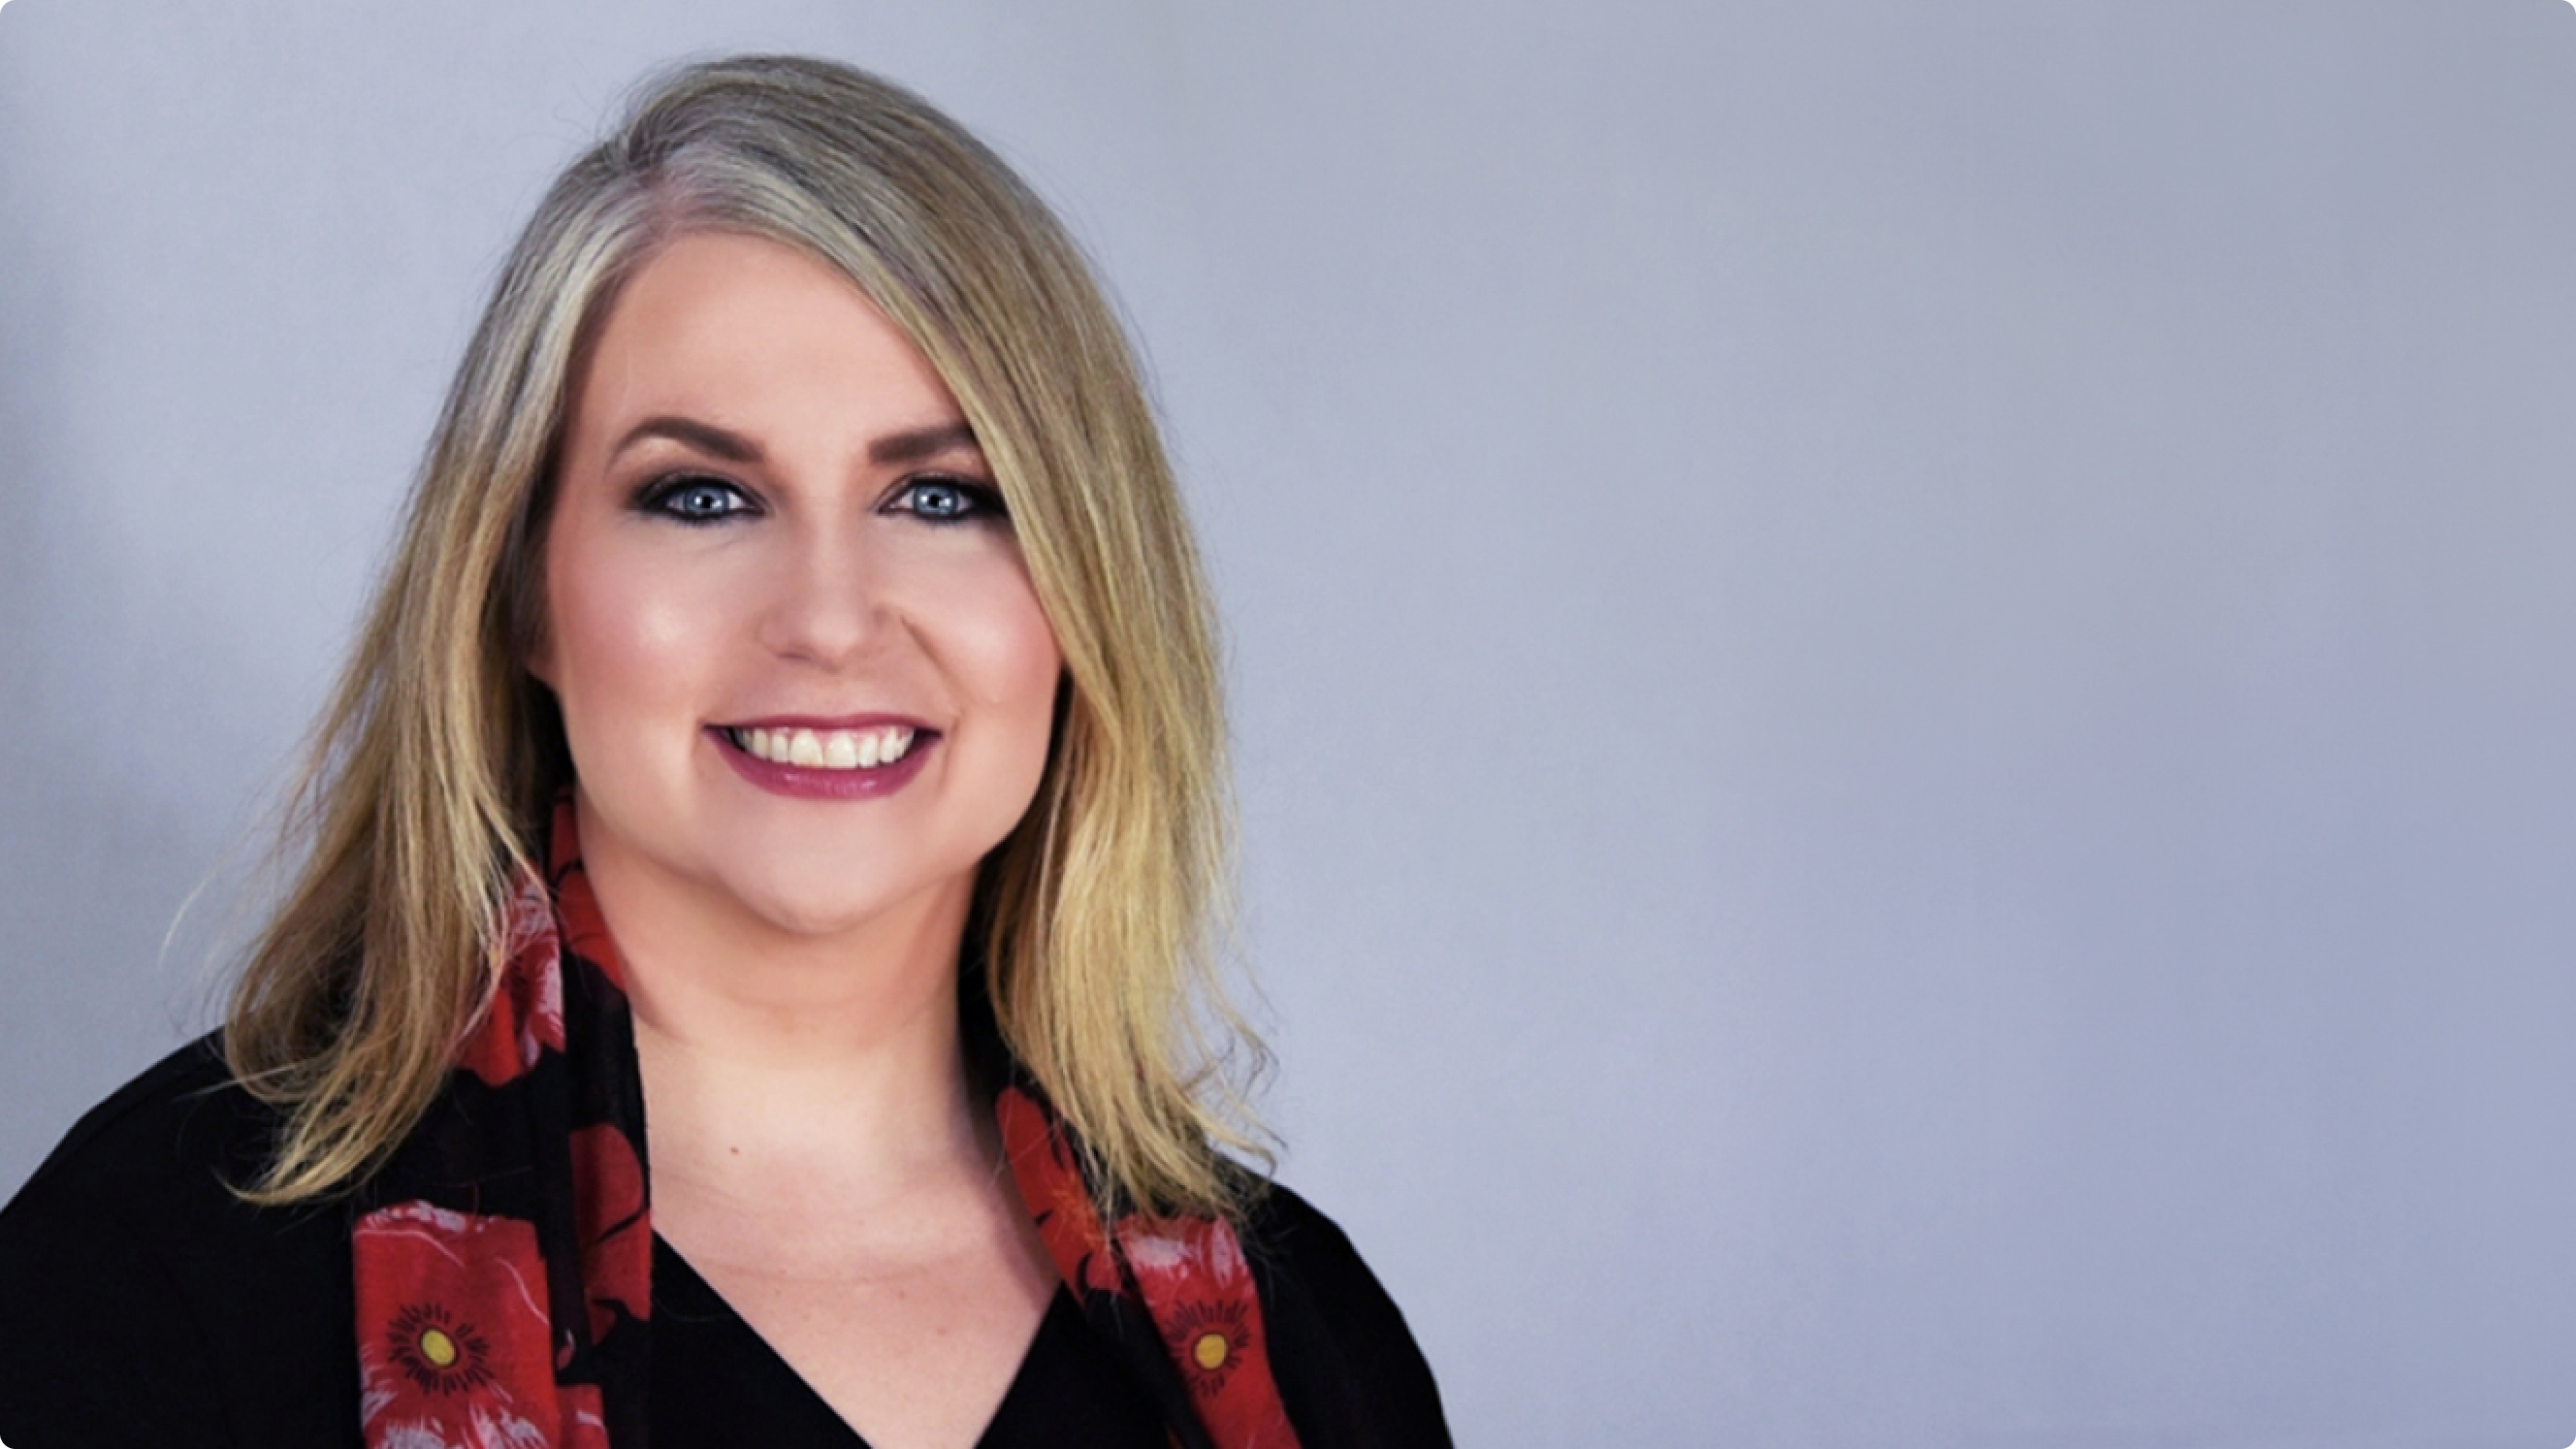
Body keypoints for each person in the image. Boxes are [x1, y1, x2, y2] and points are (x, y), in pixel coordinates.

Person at [0, 54, 1448, 1449]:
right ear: (521, 594)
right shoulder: (154, 1274)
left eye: (942, 498)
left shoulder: (1303, 1332)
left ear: (1083, 597)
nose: (827, 618)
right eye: (700, 497)